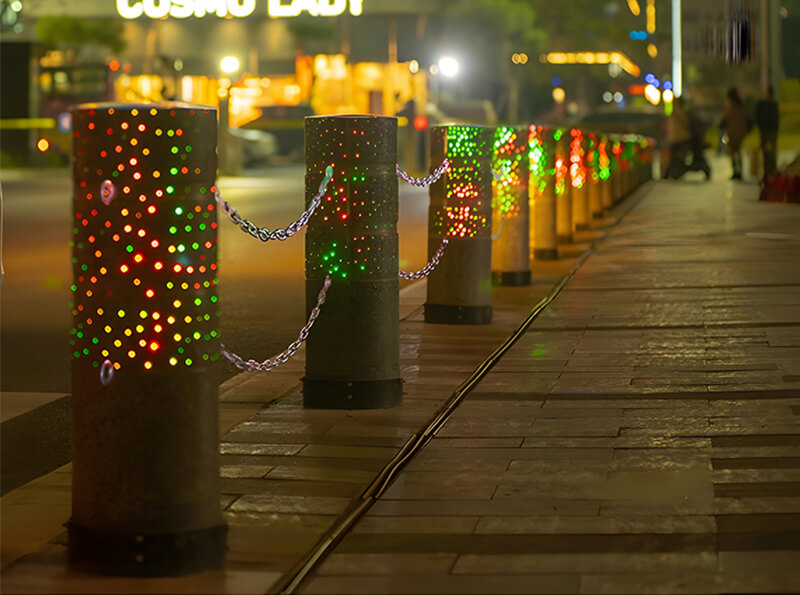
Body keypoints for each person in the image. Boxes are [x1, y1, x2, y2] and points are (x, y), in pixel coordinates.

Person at [666, 96, 711, 179]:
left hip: (675, 140)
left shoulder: (673, 112)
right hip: (683, 139)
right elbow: (688, 123)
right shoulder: (682, 112)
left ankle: (670, 172)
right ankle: (695, 166)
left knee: (675, 158)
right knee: (691, 153)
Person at [721, 87, 749, 180]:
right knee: (738, 152)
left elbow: (726, 117)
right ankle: (740, 171)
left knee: (732, 153)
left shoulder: (730, 105)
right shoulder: (740, 105)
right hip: (740, 133)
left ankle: (735, 171)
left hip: (732, 133)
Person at [755, 85, 780, 179]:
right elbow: (758, 118)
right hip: (765, 132)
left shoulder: (773, 105)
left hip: (771, 132)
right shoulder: (762, 105)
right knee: (766, 153)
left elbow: (776, 120)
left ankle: (772, 172)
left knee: (772, 153)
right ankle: (767, 173)